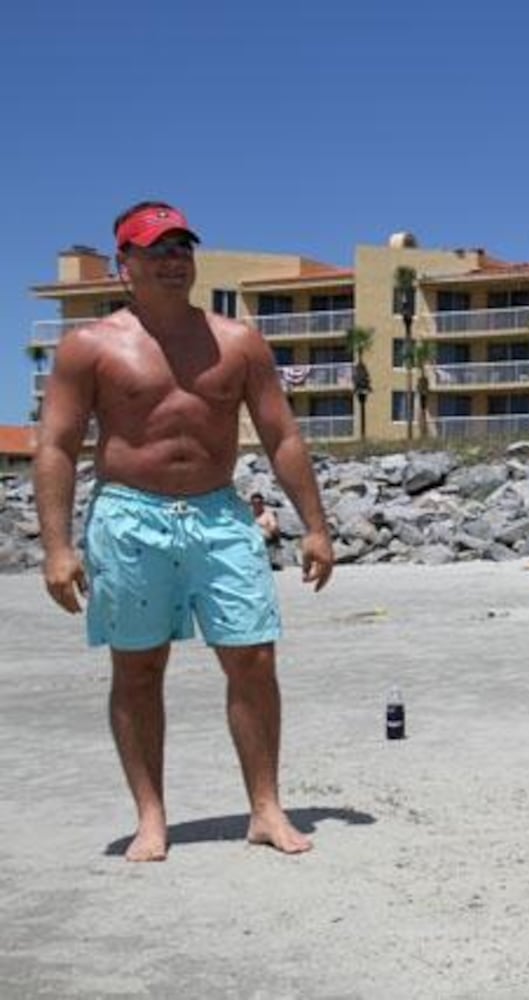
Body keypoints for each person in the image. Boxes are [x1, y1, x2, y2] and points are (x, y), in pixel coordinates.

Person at [35, 201, 335, 862]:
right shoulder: (90, 345)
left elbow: (281, 435)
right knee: (139, 667)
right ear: (126, 264)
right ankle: (151, 817)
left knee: (253, 656)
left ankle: (265, 809)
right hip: (129, 514)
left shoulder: (238, 341)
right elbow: (55, 445)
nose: (172, 260)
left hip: (219, 513)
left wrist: (316, 526)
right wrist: (56, 548)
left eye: (181, 248)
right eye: (156, 249)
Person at [249, 492, 282, 570]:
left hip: (264, 535)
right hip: (251, 534)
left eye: (259, 503)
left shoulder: (268, 514)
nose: (257, 505)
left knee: (263, 534)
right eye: (254, 503)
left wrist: (266, 529)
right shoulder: (248, 513)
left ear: (262, 503)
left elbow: (274, 526)